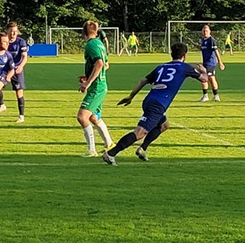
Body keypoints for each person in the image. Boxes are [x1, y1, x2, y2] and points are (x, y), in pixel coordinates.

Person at [101, 43, 207, 166]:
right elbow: (204, 79)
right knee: (140, 132)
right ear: (185, 55)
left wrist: (131, 96)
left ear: (171, 54)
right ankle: (111, 154)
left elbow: (143, 81)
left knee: (164, 125)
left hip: (149, 100)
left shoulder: (161, 67)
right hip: (158, 104)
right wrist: (204, 71)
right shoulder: (184, 67)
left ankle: (143, 149)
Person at [77, 20, 115, 156]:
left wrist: (88, 83)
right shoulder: (100, 44)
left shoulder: (91, 45)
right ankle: (109, 144)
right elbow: (106, 65)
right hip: (101, 85)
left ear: (83, 32)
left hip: (96, 87)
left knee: (82, 117)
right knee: (93, 117)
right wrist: (88, 76)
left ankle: (91, 150)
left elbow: (99, 64)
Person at [0, 22, 29, 122]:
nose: (13, 33)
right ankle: (2, 105)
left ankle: (21, 116)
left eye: (15, 32)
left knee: (19, 93)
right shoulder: (2, 41)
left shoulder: (21, 42)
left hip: (17, 70)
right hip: (4, 70)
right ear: (7, 31)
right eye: (11, 31)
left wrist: (21, 66)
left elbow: (25, 56)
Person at [198, 24, 225, 102]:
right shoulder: (203, 40)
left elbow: (216, 51)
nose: (205, 32)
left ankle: (212, 96)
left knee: (209, 78)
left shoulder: (211, 40)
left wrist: (220, 62)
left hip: (211, 63)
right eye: (204, 30)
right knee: (207, 78)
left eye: (206, 30)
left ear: (210, 31)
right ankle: (211, 96)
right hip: (205, 63)